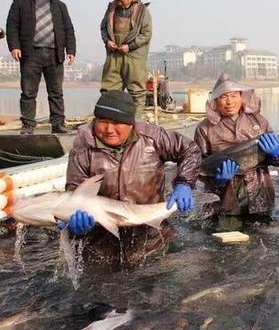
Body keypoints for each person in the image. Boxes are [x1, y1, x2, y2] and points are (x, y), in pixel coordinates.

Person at [63, 91, 201, 266]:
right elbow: (75, 193)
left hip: (152, 240)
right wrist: (75, 222)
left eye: (117, 122)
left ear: (130, 123)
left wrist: (185, 183)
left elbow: (190, 150)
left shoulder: (152, 137)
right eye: (103, 121)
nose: (109, 129)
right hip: (102, 248)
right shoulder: (83, 150)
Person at [194, 73, 279, 230]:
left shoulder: (259, 121)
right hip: (224, 201)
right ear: (215, 100)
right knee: (225, 245)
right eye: (224, 97)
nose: (229, 101)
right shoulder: (205, 128)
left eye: (234, 95)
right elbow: (197, 167)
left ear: (241, 96)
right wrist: (218, 180)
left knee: (261, 244)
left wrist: (277, 155)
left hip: (259, 195)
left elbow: (278, 161)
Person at [6, 0, 76, 134]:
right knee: (29, 92)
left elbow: (68, 29)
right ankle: (28, 125)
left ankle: (58, 123)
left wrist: (71, 49)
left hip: (55, 54)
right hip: (30, 54)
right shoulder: (20, 2)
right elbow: (12, 25)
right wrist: (14, 46)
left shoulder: (60, 6)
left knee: (56, 92)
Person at [100, 0, 152, 118]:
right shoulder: (111, 9)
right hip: (114, 56)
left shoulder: (142, 10)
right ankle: (110, 121)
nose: (120, 4)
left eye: (122, 1)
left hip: (134, 57)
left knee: (137, 92)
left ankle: (135, 123)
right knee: (109, 92)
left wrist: (130, 46)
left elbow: (146, 34)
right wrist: (107, 41)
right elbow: (103, 28)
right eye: (117, 1)